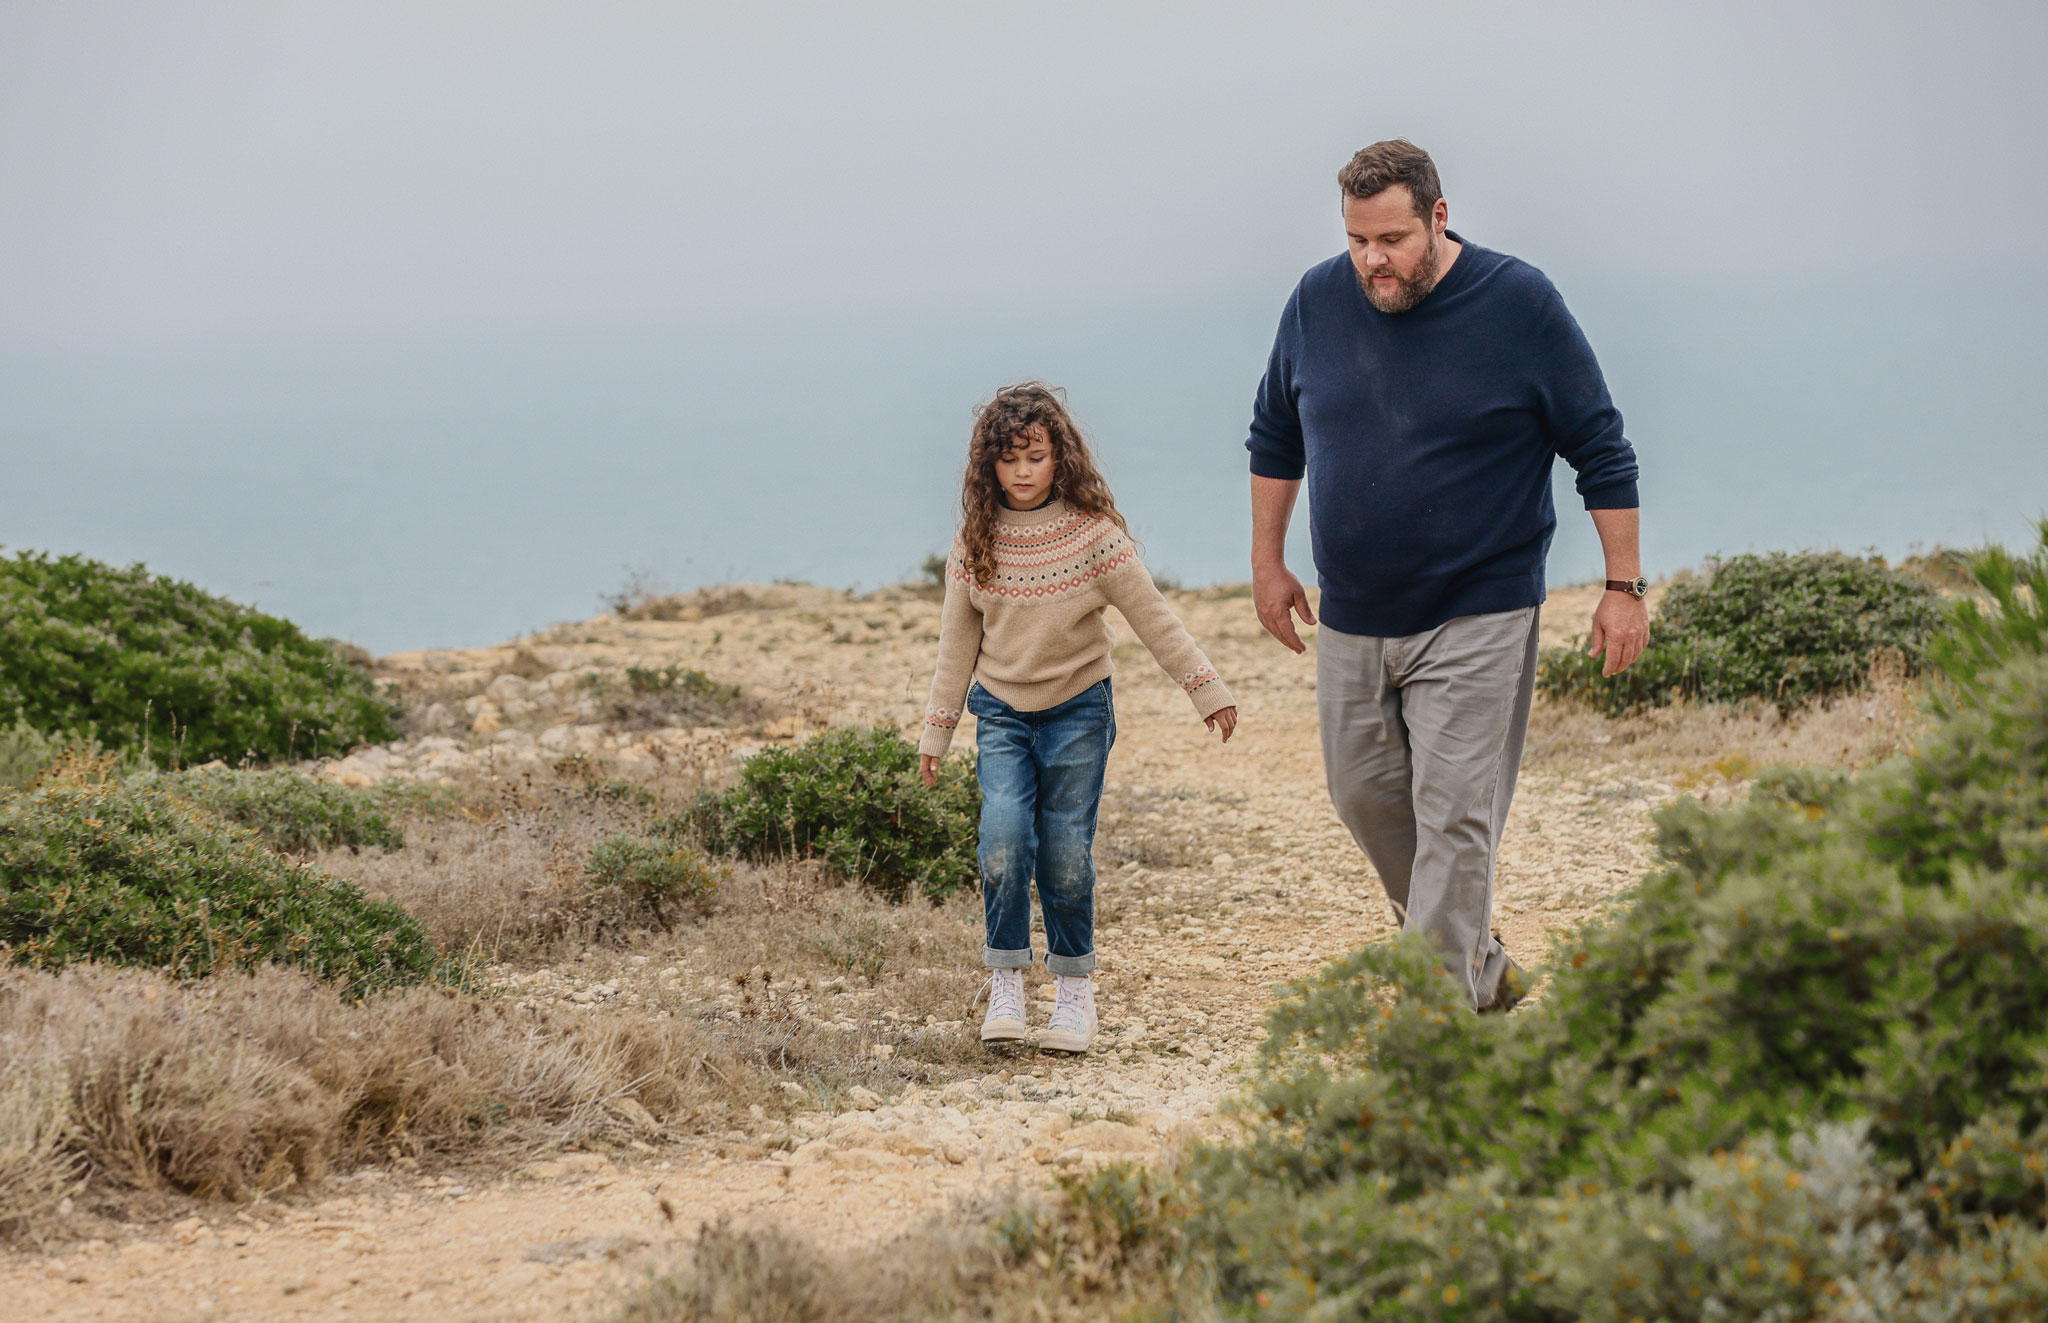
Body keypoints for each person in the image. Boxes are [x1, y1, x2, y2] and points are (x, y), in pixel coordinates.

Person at [1245, 139, 1649, 1012]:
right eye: (1357, 241)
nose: (1372, 261)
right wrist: (1267, 560)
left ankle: (1434, 1027)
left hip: (1481, 607)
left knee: (1457, 813)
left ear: (1438, 215)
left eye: (1390, 239)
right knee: (1361, 795)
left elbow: (1602, 448)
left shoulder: (1520, 304)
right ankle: (1483, 968)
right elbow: (1276, 434)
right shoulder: (1318, 300)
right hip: (1354, 613)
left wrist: (1624, 588)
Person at [919, 382, 1238, 1053]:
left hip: (1077, 712)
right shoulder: (974, 542)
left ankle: (1073, 990)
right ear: (990, 468)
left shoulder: (1094, 537)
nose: (1024, 471)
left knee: (1064, 852)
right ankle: (1007, 977)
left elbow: (1154, 617)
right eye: (1009, 459)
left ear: (1059, 457)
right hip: (1001, 712)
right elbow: (956, 646)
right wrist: (937, 731)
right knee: (1003, 839)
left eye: (1036, 456)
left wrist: (1206, 689)